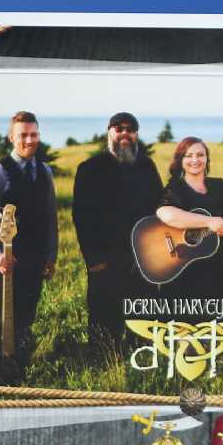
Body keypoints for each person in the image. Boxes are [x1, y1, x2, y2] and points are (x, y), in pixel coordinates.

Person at [71, 111, 163, 346]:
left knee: (143, 326)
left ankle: (140, 366)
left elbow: (159, 209)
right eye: (119, 129)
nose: (125, 133)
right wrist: (94, 261)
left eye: (130, 129)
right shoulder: (90, 168)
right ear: (109, 133)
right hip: (104, 261)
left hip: (142, 259)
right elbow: (81, 218)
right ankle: (104, 369)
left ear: (136, 135)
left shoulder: (147, 166)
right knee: (104, 329)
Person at [0, 111, 57, 362]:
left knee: (27, 315)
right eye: (23, 135)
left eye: (33, 134)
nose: (29, 140)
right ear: (12, 137)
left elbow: (51, 219)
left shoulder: (45, 171)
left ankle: (20, 363)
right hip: (8, 260)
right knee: (5, 319)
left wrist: (50, 257)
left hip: (36, 257)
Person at [154, 137, 223, 304]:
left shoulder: (220, 186)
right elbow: (166, 213)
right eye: (189, 155)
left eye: (200, 155)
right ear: (181, 160)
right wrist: (209, 222)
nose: (195, 160)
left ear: (207, 158)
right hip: (184, 268)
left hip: (220, 266)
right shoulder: (175, 187)